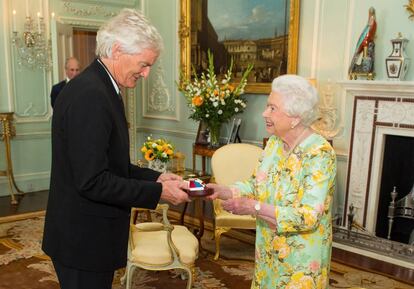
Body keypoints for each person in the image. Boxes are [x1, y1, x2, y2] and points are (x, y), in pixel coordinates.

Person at [42, 8, 191, 289]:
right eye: (144, 64)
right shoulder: (91, 95)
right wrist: (159, 193)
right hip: (83, 241)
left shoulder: (102, 87)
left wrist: (155, 178)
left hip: (87, 236)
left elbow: (110, 163)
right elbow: (93, 181)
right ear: (118, 50)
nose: (146, 74)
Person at [207, 75, 337, 289]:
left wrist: (253, 207)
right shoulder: (275, 144)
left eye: (272, 108)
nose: (264, 113)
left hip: (300, 260)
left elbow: (308, 216)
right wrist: (225, 191)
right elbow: (256, 184)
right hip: (268, 250)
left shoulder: (320, 154)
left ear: (295, 116)